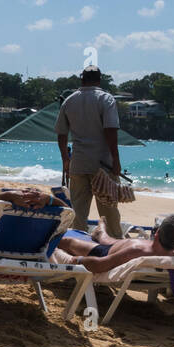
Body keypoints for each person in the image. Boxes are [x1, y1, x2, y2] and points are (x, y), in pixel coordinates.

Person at [55, 64, 123, 239]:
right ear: (99, 80)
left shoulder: (69, 101)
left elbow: (61, 134)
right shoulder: (106, 99)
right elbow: (110, 131)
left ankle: (76, 243)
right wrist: (116, 159)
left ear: (82, 80)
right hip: (103, 165)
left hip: (78, 163)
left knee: (77, 211)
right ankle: (113, 243)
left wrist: (65, 160)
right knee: (108, 210)